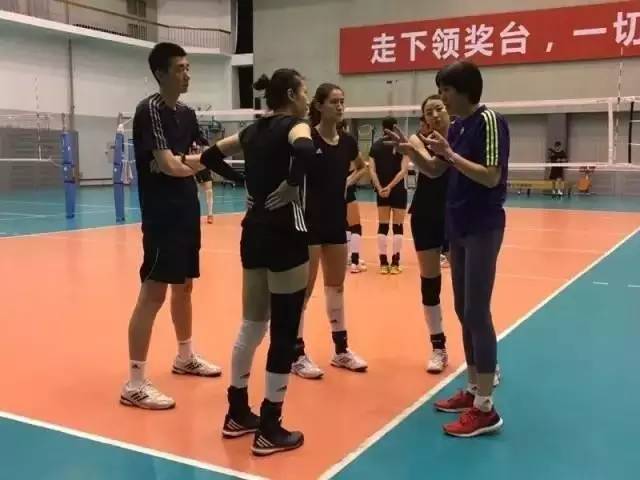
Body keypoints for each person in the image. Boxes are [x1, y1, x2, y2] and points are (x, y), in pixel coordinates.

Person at [186, 69, 313, 455]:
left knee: (252, 324)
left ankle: (237, 411)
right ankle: (270, 427)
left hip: (253, 231)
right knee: (284, 331)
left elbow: (208, 156)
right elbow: (304, 149)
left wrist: (241, 182)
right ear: (291, 95)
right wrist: (292, 183)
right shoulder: (295, 126)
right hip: (286, 232)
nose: (307, 99)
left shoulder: (252, 131)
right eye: (304, 92)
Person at [121, 43, 242, 410]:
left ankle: (185, 356)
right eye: (179, 69)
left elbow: (203, 158)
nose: (187, 74)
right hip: (162, 215)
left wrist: (223, 168)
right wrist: (183, 163)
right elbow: (170, 165)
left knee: (185, 287)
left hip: (187, 209)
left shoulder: (187, 114)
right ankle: (135, 383)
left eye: (188, 68)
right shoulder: (150, 110)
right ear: (161, 74)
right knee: (153, 293)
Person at [427, 61, 508, 437]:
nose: (442, 97)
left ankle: (486, 408)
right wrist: (414, 153)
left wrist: (451, 154)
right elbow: (438, 170)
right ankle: (474, 388)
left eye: (446, 90)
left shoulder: (489, 121)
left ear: (463, 90)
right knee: (463, 310)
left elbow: (491, 176)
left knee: (477, 311)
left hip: (482, 226)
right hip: (457, 226)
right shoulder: (457, 126)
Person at [291, 83, 368, 380]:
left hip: (336, 222)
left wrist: (347, 182)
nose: (340, 106)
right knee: (304, 290)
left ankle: (341, 350)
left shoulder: (347, 141)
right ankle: (296, 354)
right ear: (319, 105)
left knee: (336, 287)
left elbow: (362, 166)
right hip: (309, 222)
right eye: (334, 101)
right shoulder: (306, 138)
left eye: (342, 101)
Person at [407, 96, 452, 374]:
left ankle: (480, 356)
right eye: (428, 112)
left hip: (455, 214)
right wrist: (414, 150)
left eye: (439, 109)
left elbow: (438, 168)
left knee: (465, 289)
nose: (434, 114)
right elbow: (429, 167)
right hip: (425, 214)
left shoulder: (459, 138)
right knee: (430, 282)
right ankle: (438, 348)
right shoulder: (417, 140)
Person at [369, 116, 409, 274]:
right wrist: (391, 187)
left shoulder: (375, 146)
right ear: (396, 127)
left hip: (382, 191)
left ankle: (383, 264)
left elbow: (372, 170)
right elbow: (403, 170)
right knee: (398, 226)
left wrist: (380, 188)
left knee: (383, 225)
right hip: (398, 190)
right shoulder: (402, 146)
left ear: (382, 127)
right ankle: (395, 264)